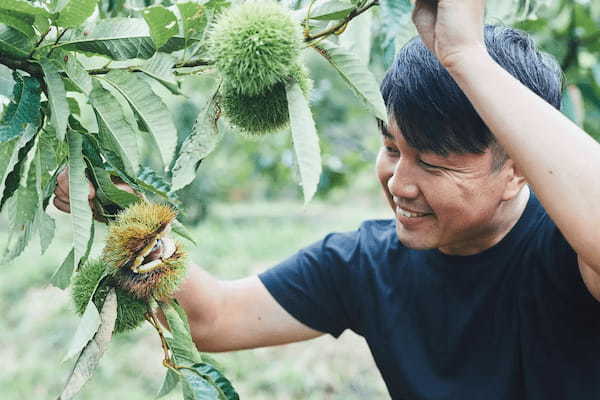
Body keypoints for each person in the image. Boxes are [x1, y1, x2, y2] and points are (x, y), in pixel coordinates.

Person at [53, 0, 600, 398]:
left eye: (434, 163)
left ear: (518, 170)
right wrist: (126, 213)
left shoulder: (570, 251)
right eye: (391, 148)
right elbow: (215, 318)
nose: (399, 182)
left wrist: (465, 54)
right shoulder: (366, 262)